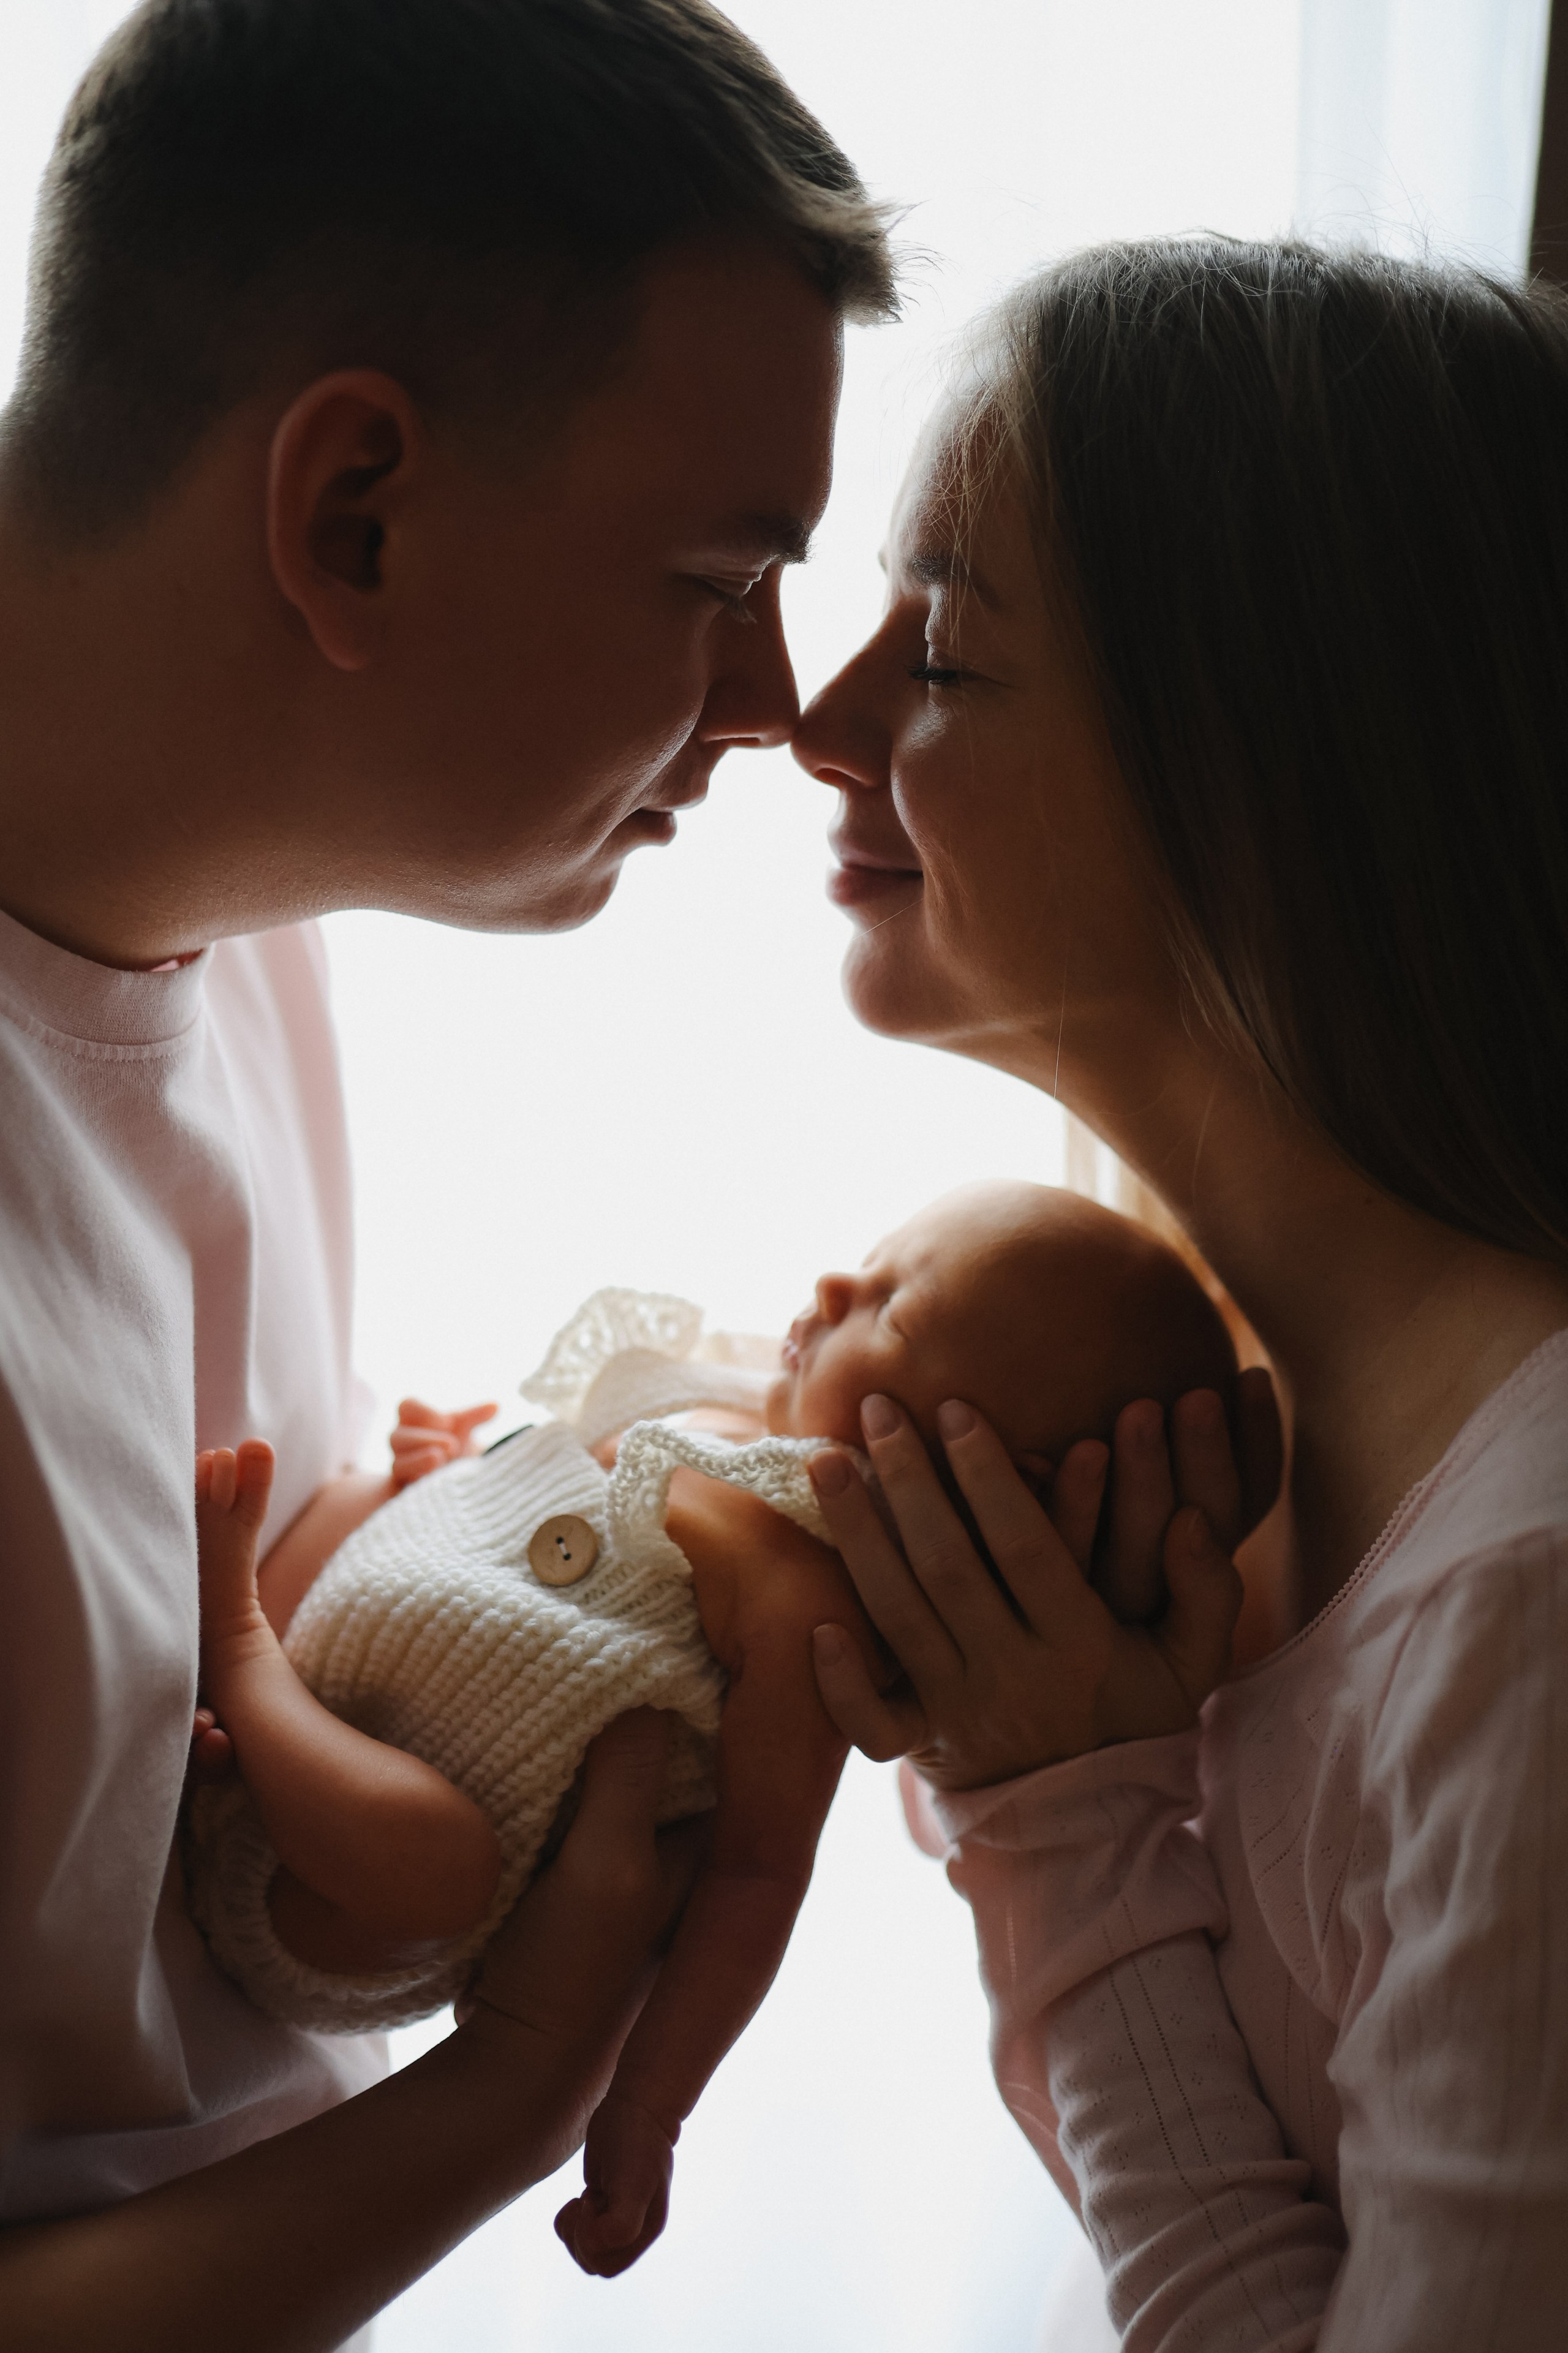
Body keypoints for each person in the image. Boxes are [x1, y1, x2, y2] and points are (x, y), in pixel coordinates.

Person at [0, 1, 897, 2344]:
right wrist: (504, 2098)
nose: (781, 703)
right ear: (352, 513)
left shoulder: (240, 928)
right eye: (722, 573)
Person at [793, 239, 1568, 2349]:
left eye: (940, 649)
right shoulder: (1221, 1470)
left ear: (1275, 762)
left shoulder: (1532, 1606)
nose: (814, 716)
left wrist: (1061, 1842)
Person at [180, 1180, 1251, 2278]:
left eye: (896, 1311)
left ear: (982, 1480)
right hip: (344, 1662)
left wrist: (648, 2109)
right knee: (354, 1483)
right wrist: (458, 1464)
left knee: (442, 1865)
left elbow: (753, 1876)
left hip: (332, 1889)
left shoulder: (811, 1616)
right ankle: (248, 1686)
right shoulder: (726, 1393)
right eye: (869, 1260)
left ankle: (239, 1655)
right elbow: (538, 1496)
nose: (836, 1285)